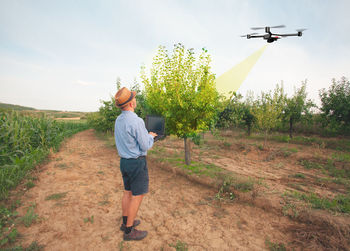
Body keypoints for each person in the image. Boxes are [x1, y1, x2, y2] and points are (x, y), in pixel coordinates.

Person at [114, 87, 157, 241]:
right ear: (131, 103)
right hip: (136, 164)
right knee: (137, 196)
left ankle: (125, 223)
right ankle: (129, 231)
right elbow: (145, 145)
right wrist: (150, 137)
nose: (135, 99)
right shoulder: (136, 121)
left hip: (124, 162)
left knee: (127, 192)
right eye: (134, 97)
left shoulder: (119, 120)